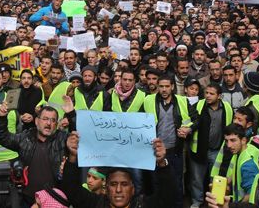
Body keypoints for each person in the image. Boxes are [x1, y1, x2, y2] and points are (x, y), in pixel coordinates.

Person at [61, 131, 177, 208]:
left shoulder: (141, 205)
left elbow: (168, 197)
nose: (118, 189)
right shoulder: (96, 204)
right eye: (113, 184)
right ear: (106, 188)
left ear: (133, 189)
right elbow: (70, 189)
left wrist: (161, 162)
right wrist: (73, 156)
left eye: (125, 184)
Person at [0, 101, 74, 206]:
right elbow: (3, 138)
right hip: (26, 199)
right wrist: (2, 118)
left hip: (53, 201)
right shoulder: (25, 137)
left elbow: (76, 138)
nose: (49, 123)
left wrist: (72, 115)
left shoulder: (63, 139)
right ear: (37, 121)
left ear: (56, 124)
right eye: (45, 119)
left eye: (53, 120)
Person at [143, 75, 194, 208]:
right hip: (155, 152)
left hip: (175, 152)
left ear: (172, 87)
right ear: (158, 87)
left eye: (167, 86)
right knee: (156, 184)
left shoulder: (182, 101)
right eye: (161, 86)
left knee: (176, 185)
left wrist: (189, 129)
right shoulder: (149, 100)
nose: (164, 89)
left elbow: (197, 117)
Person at [190, 83, 233, 207]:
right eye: (206, 93)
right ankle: (196, 203)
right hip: (199, 150)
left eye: (211, 94)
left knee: (215, 180)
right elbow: (190, 123)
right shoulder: (198, 105)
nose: (208, 96)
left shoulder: (227, 108)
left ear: (219, 96)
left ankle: (213, 204)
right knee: (196, 180)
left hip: (217, 151)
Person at [224, 124, 259, 202]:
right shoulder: (246, 149)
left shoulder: (247, 165)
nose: (229, 145)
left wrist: (236, 206)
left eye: (233, 140)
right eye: (226, 141)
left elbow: (251, 194)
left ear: (243, 140)